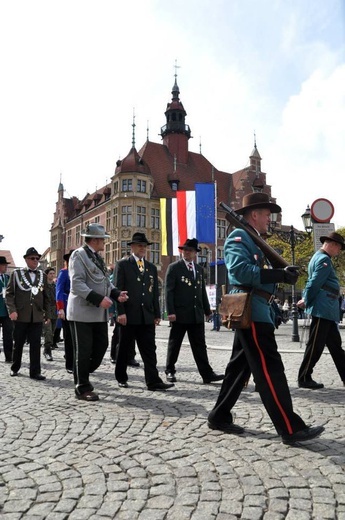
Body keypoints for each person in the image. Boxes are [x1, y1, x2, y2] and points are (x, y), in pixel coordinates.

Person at [207, 192, 324, 445]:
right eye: (267, 214)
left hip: (257, 310)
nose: (270, 219)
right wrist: (279, 275)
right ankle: (290, 427)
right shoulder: (239, 236)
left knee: (239, 368)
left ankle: (218, 415)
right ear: (255, 214)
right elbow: (239, 271)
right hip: (251, 311)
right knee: (270, 369)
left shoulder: (255, 239)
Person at [67, 224, 128, 401]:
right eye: (102, 239)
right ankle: (82, 387)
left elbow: (105, 283)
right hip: (82, 311)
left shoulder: (97, 258)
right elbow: (77, 284)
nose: (104, 242)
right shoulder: (78, 255)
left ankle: (82, 371)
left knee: (101, 346)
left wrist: (116, 294)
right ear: (94, 240)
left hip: (97, 313)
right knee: (83, 350)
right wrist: (98, 299)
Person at [115, 232, 174, 391]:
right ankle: (121, 376)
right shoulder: (123, 265)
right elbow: (117, 290)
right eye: (140, 245)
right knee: (124, 348)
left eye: (145, 246)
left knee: (149, 350)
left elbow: (154, 293)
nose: (143, 249)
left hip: (146, 316)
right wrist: (120, 312)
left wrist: (156, 314)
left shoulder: (151, 268)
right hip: (128, 315)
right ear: (132, 247)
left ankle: (153, 381)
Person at [165, 238, 224, 384]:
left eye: (190, 251)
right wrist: (170, 311)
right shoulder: (174, 268)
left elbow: (201, 291)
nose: (187, 253)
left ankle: (207, 374)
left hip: (196, 314)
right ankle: (170, 370)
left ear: (195, 253)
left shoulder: (198, 269)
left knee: (200, 346)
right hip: (180, 314)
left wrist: (207, 309)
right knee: (175, 343)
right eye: (185, 250)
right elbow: (169, 291)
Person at [297, 231, 345, 389]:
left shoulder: (318, 257)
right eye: (339, 248)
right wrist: (306, 299)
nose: (339, 252)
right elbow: (314, 283)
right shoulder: (324, 260)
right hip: (322, 309)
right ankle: (304, 377)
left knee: (335, 346)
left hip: (326, 309)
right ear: (332, 245)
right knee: (315, 346)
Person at [6, 247, 49, 380]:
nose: (35, 261)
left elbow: (46, 297)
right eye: (32, 258)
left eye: (37, 258)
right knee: (18, 343)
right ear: (26, 260)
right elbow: (9, 294)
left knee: (36, 345)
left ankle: (35, 372)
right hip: (21, 315)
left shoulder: (43, 275)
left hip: (36, 316)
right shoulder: (17, 274)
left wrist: (46, 314)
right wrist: (12, 310)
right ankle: (15, 367)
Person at [56, 250, 74, 373]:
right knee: (68, 337)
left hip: (79, 308)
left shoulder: (80, 273)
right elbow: (59, 292)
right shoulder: (64, 272)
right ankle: (69, 364)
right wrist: (60, 308)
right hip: (67, 306)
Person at [0, 256, 13, 363]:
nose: (6, 267)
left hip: (6, 311)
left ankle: (9, 356)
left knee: (8, 334)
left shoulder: (7, 278)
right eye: (4, 265)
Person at [42, 267, 57, 361]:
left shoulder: (56, 285)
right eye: (50, 273)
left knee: (52, 332)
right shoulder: (43, 286)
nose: (52, 275)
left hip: (55, 311)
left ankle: (47, 348)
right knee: (48, 332)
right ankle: (47, 351)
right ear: (46, 275)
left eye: (53, 273)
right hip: (46, 311)